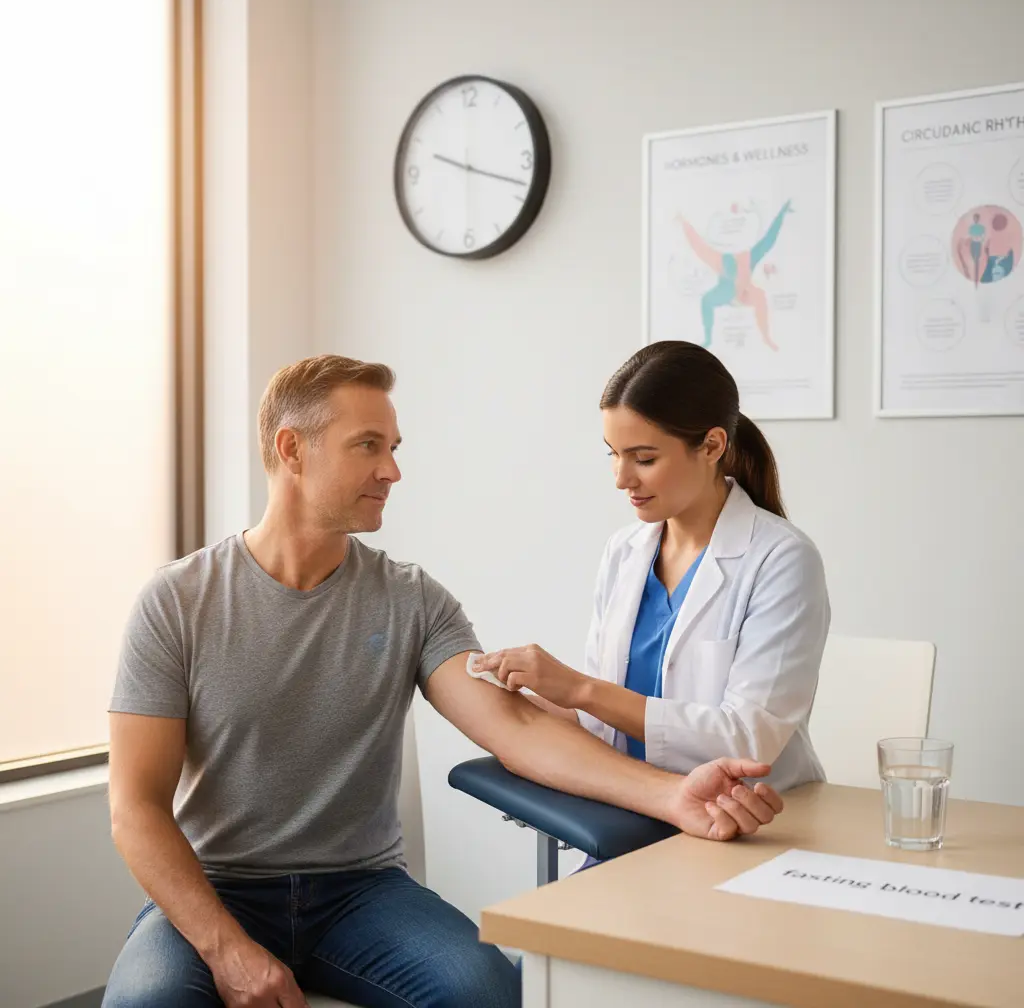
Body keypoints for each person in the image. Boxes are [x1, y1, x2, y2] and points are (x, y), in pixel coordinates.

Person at [102, 354, 787, 1008]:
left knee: (492, 992)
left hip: (359, 893)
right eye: (368, 446)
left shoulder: (410, 600)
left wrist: (674, 797)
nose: (393, 470)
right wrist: (227, 950)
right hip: (218, 887)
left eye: (394, 446)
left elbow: (515, 728)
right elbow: (136, 808)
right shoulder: (177, 602)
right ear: (292, 449)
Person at [474, 341, 828, 798]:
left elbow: (747, 739)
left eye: (644, 458)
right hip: (637, 803)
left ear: (712, 445)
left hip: (744, 817)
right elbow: (609, 720)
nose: (622, 479)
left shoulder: (781, 559)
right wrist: (529, 698)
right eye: (613, 454)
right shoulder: (624, 551)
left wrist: (578, 688)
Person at [676, 201, 792, 350]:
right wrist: (683, 223)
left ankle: (766, 337)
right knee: (706, 300)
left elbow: (769, 239)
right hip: (725, 293)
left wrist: (782, 213)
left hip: (744, 293)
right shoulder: (721, 259)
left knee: (760, 296)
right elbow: (698, 245)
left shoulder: (749, 256)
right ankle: (708, 338)